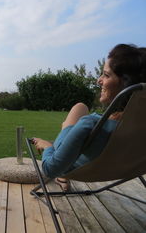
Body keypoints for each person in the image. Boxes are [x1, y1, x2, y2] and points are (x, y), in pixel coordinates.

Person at [32, 44, 146, 191]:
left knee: (79, 108)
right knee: (81, 107)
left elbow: (51, 169)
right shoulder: (137, 128)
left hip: (74, 167)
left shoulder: (91, 124)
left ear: (126, 83)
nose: (99, 80)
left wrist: (47, 146)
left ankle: (60, 162)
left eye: (106, 75)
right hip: (129, 168)